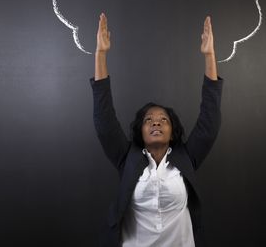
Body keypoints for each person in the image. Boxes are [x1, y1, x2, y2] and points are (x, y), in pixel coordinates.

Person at [90, 13, 223, 247]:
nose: (156, 122)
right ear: (140, 132)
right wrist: (101, 54)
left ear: (173, 132)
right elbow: (104, 120)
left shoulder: (186, 158)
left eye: (163, 120)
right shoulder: (127, 158)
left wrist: (210, 55)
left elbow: (209, 121)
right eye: (148, 120)